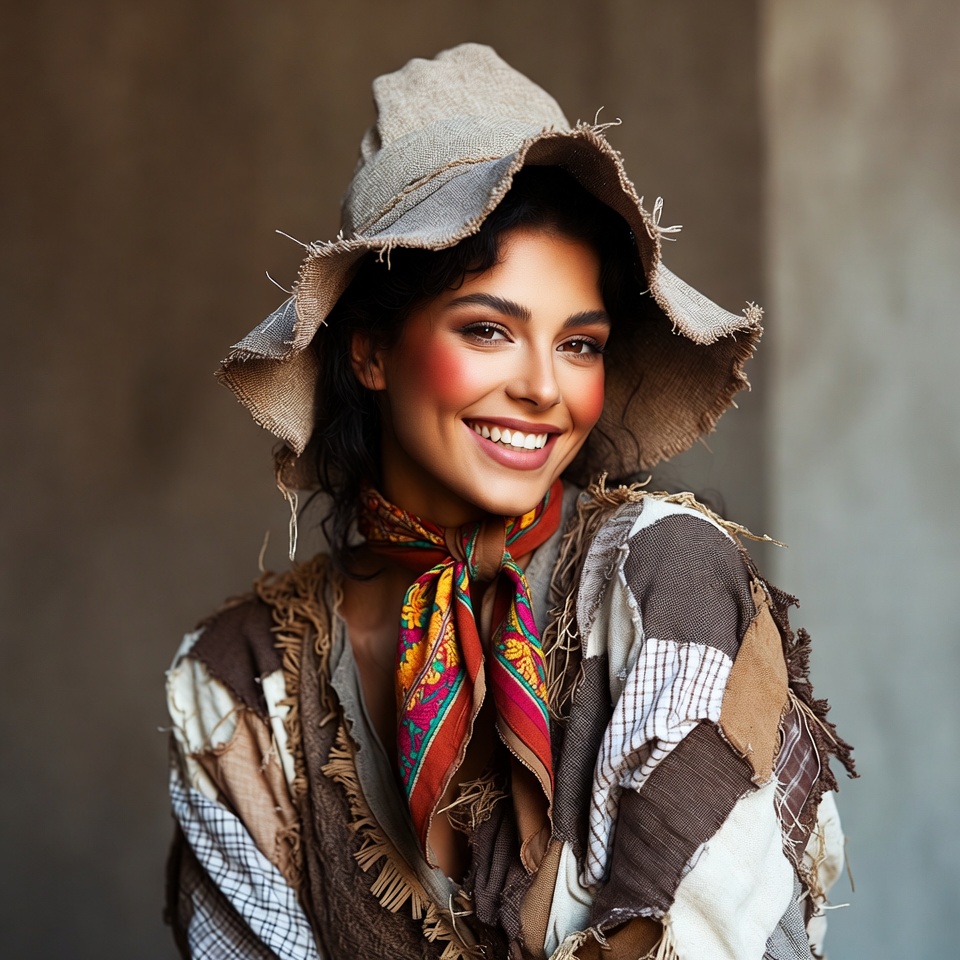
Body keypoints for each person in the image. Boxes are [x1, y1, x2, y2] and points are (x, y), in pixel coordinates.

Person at [165, 43, 855, 960]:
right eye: (488, 330)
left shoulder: (663, 583)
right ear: (369, 352)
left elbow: (705, 934)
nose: (542, 389)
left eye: (579, 344)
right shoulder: (238, 679)